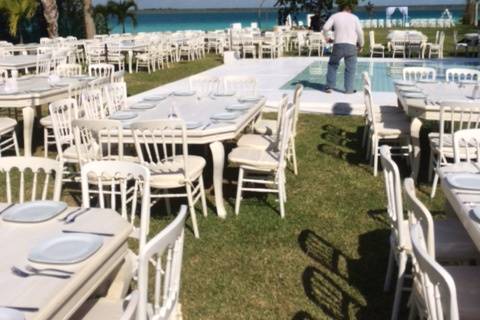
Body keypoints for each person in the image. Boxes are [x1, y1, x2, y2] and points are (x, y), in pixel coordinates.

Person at [322, 3, 364, 94]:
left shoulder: (335, 16)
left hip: (338, 45)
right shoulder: (354, 17)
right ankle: (349, 90)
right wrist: (361, 45)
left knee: (333, 65)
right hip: (351, 46)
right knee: (350, 68)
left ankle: (329, 87)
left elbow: (325, 28)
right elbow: (360, 33)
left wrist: (326, 37)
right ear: (350, 10)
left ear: (340, 9)